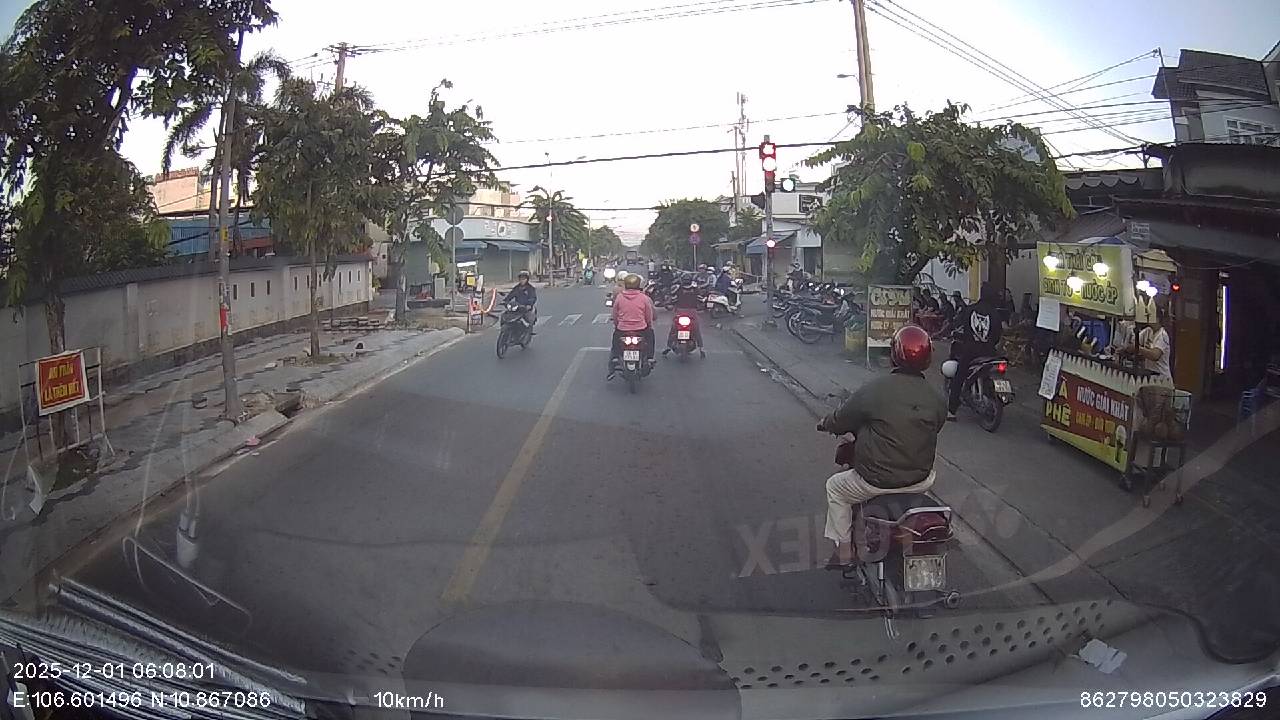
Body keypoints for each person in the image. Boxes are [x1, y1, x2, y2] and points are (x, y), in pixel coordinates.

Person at [818, 324, 946, 567]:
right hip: (920, 480)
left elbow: (841, 419)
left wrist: (825, 423)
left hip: (875, 482)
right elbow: (935, 428)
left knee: (835, 488)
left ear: (894, 355)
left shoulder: (875, 390)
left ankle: (844, 552)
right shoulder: (937, 397)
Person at [946, 283, 1003, 421]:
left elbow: (964, 329)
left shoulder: (970, 310)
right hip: (989, 352)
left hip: (971, 352)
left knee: (959, 377)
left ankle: (951, 411)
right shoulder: (995, 314)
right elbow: (997, 335)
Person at [609, 272, 657, 378]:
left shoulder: (620, 297)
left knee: (615, 341)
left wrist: (617, 325)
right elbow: (648, 315)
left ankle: (615, 358)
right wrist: (649, 325)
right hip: (641, 329)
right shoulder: (644, 298)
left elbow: (615, 314)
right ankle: (650, 357)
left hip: (622, 329)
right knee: (650, 337)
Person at [1124, 305, 1171, 380]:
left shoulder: (1162, 335)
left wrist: (1138, 348)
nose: (1148, 318)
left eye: (1150, 316)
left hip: (1162, 377)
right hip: (1150, 374)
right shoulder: (1147, 331)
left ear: (1157, 319)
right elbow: (1133, 342)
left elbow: (1155, 355)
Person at [663, 277, 706, 358]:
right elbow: (701, 300)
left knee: (673, 330)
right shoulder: (695, 289)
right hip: (692, 314)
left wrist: (669, 304)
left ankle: (668, 347)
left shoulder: (678, 289)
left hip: (680, 313)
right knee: (696, 330)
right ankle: (701, 349)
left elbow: (673, 299)